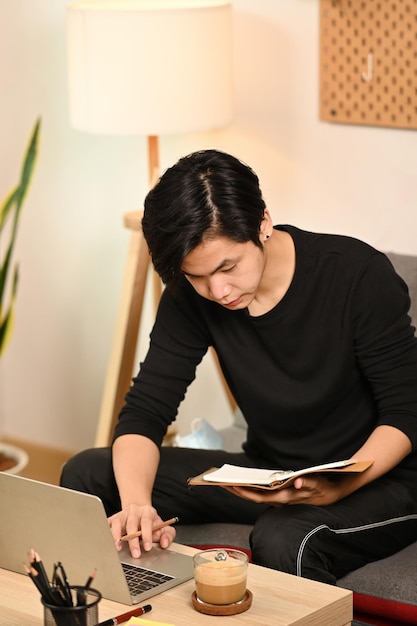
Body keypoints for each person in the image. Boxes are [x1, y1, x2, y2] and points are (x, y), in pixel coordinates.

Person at [61, 149, 417, 585]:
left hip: (380, 479)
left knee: (285, 538)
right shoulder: (192, 296)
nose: (218, 291)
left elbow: (407, 413)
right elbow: (146, 411)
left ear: (263, 223)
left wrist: (341, 485)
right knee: (89, 473)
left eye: (228, 266)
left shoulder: (356, 275)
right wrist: (138, 506)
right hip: (271, 473)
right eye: (197, 277)